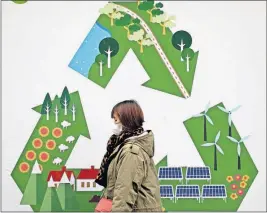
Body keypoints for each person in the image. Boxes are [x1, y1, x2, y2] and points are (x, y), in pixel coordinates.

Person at [95, 100, 163, 212]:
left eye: (116, 120)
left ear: (127, 120)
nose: (114, 124)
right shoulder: (122, 146)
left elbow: (124, 193)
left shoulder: (131, 152)